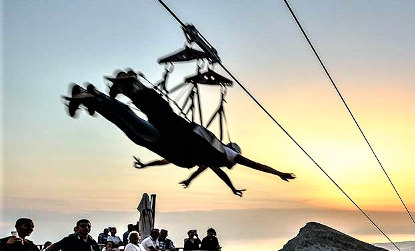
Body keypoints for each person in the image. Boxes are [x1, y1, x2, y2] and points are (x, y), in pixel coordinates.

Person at [64, 78, 295, 196]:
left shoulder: (214, 158)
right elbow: (256, 165)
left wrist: (229, 187)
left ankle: (94, 97)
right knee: (142, 120)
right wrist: (278, 173)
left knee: (134, 122)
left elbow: (215, 173)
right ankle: (123, 87)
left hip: (169, 142)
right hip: (175, 139)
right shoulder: (227, 155)